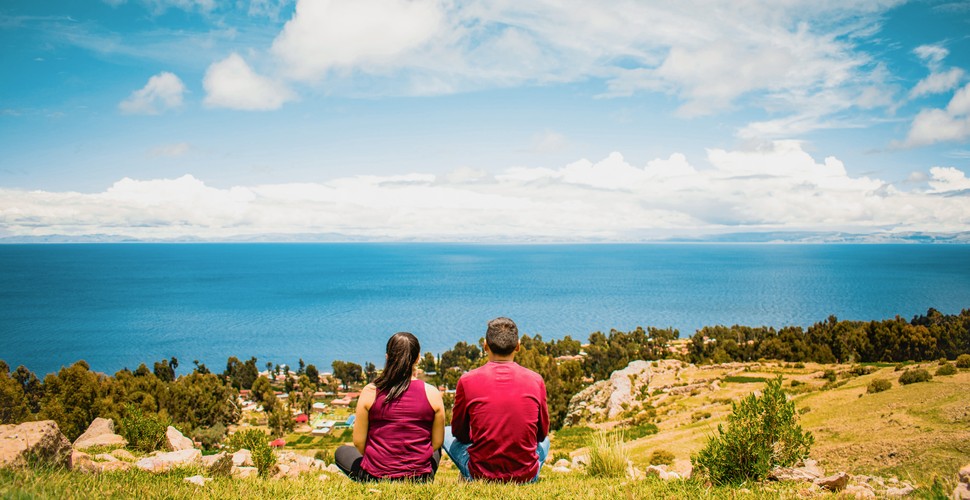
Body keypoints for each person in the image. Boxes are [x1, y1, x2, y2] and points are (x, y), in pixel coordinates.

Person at [444, 317, 551, 483]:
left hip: (480, 474)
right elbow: (542, 433)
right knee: (547, 442)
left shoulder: (467, 380)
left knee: (445, 432)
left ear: (485, 345)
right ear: (518, 346)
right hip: (527, 476)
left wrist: (481, 436)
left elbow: (459, 432)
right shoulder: (536, 380)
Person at [334, 332, 445, 482]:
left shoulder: (370, 392)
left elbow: (359, 442)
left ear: (387, 357)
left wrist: (381, 463)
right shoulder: (432, 394)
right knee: (437, 449)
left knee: (341, 452)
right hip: (420, 477)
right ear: (418, 358)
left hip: (375, 476)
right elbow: (437, 442)